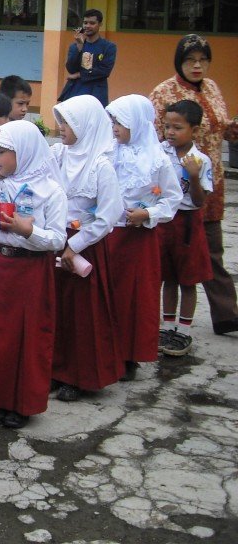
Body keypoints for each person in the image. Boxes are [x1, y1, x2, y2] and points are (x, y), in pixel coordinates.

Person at [149, 34, 238, 336]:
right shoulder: (164, 92)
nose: (197, 66)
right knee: (178, 265)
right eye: (190, 60)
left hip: (209, 183)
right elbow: (153, 137)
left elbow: (222, 127)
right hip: (176, 191)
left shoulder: (211, 88)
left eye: (203, 60)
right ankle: (169, 323)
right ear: (179, 62)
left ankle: (226, 316)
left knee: (211, 251)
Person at [0, 121, 67, 429]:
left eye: (4, 152)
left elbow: (58, 238)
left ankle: (21, 403)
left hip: (31, 269)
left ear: (26, 151)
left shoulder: (51, 190)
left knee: (27, 336)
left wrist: (28, 230)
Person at [49, 95, 125, 401]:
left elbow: (109, 214)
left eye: (68, 123)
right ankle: (54, 368)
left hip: (85, 245)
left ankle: (79, 376)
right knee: (56, 309)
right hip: (55, 238)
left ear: (86, 125)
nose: (61, 128)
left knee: (83, 314)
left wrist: (76, 245)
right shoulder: (59, 156)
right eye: (61, 122)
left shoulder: (101, 166)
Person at [105, 94, 182, 380]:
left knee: (134, 297)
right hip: (109, 235)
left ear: (136, 123)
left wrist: (147, 214)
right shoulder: (109, 152)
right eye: (112, 121)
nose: (115, 128)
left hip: (137, 239)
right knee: (107, 295)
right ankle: (107, 352)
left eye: (120, 122)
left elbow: (172, 199)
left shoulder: (158, 159)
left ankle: (129, 356)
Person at [158, 100, 214, 357]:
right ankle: (167, 326)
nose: (170, 132)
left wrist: (193, 175)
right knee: (168, 276)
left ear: (194, 130)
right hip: (164, 222)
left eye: (177, 127)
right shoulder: (160, 152)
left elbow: (201, 201)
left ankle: (184, 330)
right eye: (167, 126)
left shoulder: (201, 161)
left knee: (187, 279)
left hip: (188, 223)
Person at [57, 9, 116, 107]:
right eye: (85, 23)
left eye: (92, 23)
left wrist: (80, 74)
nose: (88, 26)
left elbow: (105, 71)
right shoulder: (75, 46)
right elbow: (70, 69)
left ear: (100, 24)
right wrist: (79, 47)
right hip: (75, 92)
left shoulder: (108, 47)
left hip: (96, 94)